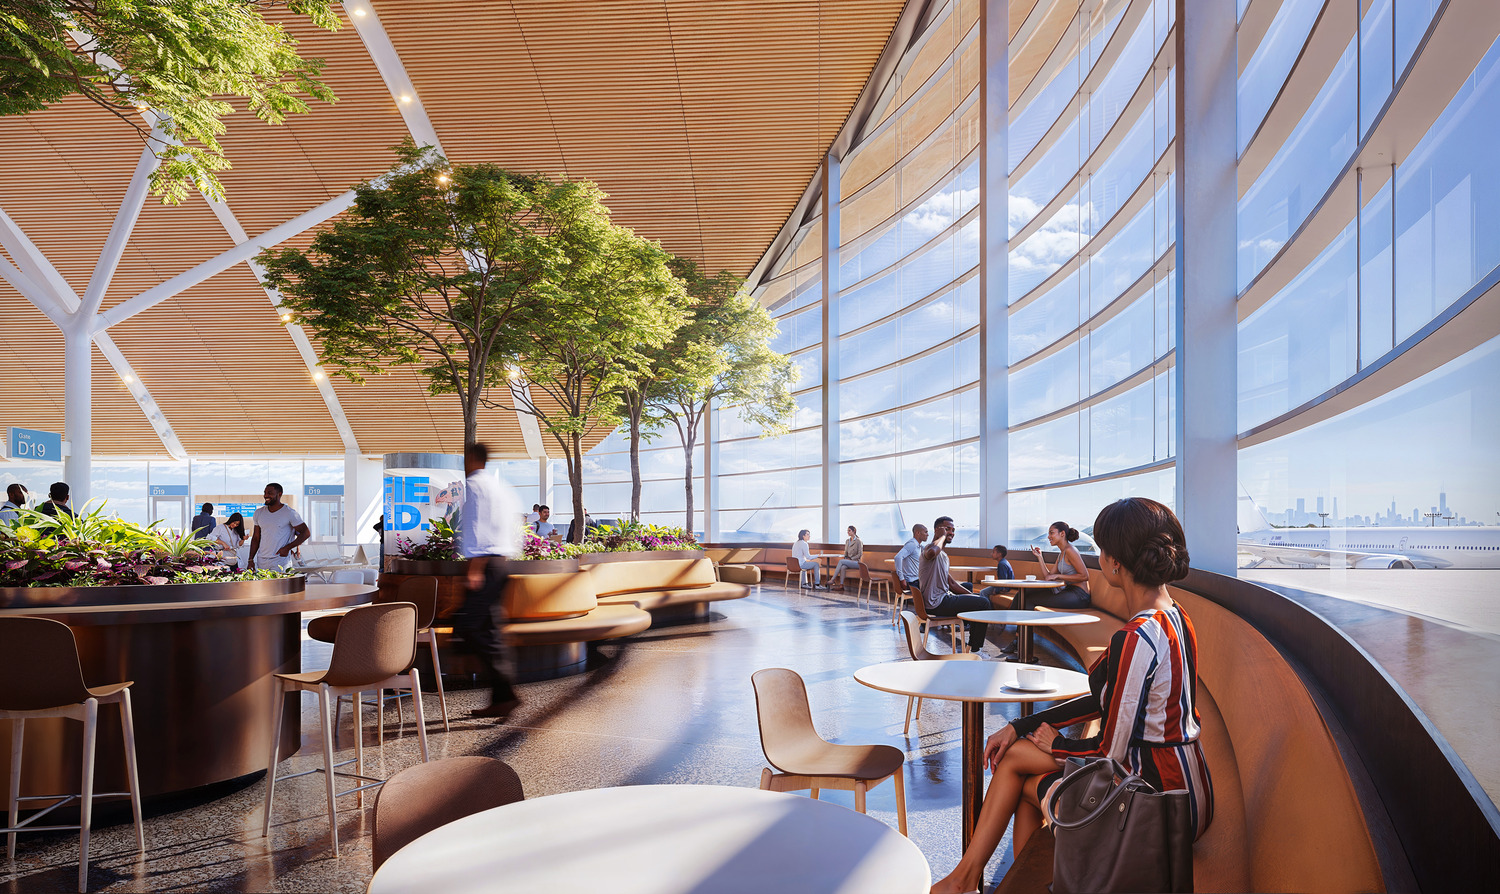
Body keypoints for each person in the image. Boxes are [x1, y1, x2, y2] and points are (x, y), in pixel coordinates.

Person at [929, 498, 1214, 893]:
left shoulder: (1137, 639)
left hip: (1158, 803)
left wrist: (1058, 744)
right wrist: (1021, 725)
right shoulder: (1175, 618)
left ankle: (961, 881)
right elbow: (1104, 701)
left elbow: (1110, 756)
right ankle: (967, 881)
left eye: (1100, 552)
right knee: (1019, 766)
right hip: (1191, 784)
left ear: (1114, 563)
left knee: (1019, 772)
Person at [456, 442, 523, 720]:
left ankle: (505, 693)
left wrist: (474, 568)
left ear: (471, 458)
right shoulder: (499, 487)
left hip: (484, 566)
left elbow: (477, 527)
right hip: (501, 565)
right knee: (490, 631)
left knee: (469, 627)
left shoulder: (473, 485)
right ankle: (503, 698)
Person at [919, 516, 991, 653]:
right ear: (937, 530)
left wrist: (973, 597)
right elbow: (932, 552)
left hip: (941, 600)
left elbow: (951, 583)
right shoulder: (929, 549)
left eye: (952, 530)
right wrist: (941, 537)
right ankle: (975, 650)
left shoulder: (943, 556)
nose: (951, 532)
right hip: (937, 603)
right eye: (947, 529)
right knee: (984, 603)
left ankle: (971, 646)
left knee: (980, 601)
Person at [1025, 521, 1092, 609]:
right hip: (1068, 591)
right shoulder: (1061, 553)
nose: (1048, 537)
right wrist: (1040, 557)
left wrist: (1058, 576)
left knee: (1030, 599)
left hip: (1080, 596)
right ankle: (1011, 622)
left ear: (1062, 533)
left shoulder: (1070, 550)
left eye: (1051, 533)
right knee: (1025, 593)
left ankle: (1017, 622)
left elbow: (1084, 576)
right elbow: (1048, 576)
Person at [248, 484, 309, 571]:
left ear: (279, 494)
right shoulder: (258, 513)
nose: (266, 495)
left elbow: (306, 533)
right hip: (262, 560)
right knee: (263, 585)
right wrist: (250, 559)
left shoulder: (289, 513)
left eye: (269, 493)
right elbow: (256, 538)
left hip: (281, 560)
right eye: (265, 493)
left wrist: (287, 548)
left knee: (280, 585)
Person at [893, 524, 928, 588]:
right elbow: (898, 557)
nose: (927, 534)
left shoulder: (919, 546)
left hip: (916, 580)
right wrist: (901, 579)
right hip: (912, 582)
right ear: (918, 533)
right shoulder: (912, 544)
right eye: (925, 532)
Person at [829, 525, 863, 591]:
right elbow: (846, 552)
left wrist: (851, 559)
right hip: (848, 561)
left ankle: (832, 579)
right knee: (843, 567)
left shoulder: (858, 541)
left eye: (849, 530)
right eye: (847, 531)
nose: (848, 532)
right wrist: (846, 557)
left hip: (856, 562)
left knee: (841, 561)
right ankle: (841, 586)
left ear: (854, 531)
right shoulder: (847, 541)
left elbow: (860, 554)